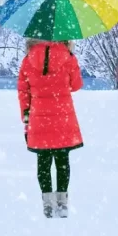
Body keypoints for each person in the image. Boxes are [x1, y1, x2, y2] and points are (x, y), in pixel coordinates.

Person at [17, 38, 84, 218]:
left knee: (43, 162)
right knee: (62, 161)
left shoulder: (28, 59)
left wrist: (25, 114)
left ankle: (48, 204)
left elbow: (23, 91)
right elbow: (76, 86)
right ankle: (62, 204)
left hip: (39, 118)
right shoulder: (68, 57)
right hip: (63, 116)